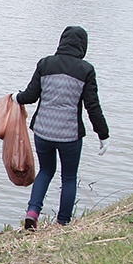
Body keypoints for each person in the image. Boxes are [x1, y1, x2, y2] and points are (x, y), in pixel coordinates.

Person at [13, 26, 109, 230]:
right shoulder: (86, 70)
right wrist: (103, 134)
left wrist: (15, 97)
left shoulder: (45, 63)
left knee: (46, 170)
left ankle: (32, 212)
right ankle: (63, 222)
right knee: (69, 177)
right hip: (69, 135)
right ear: (83, 45)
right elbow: (93, 106)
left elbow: (30, 96)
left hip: (43, 131)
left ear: (61, 41)